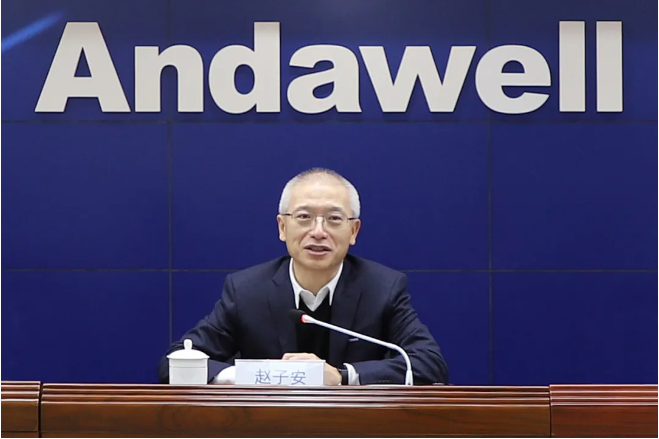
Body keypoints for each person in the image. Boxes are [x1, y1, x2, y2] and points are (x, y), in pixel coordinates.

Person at [158, 168, 448, 385]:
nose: (318, 231)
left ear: (354, 231)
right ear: (282, 227)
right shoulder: (247, 290)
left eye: (334, 219)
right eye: (304, 217)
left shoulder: (382, 288)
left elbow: (429, 363)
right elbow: (174, 364)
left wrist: (343, 376)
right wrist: (250, 376)